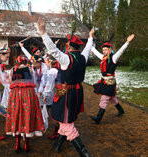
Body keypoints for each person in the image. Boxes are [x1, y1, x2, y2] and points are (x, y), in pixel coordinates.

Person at [37, 17, 94, 157]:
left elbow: (52, 49)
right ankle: (58, 145)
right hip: (77, 92)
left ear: (68, 46)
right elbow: (88, 48)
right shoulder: (83, 57)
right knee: (65, 120)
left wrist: (43, 32)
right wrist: (90, 37)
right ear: (78, 47)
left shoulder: (66, 58)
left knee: (67, 123)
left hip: (66, 93)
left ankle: (84, 153)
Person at [90, 34, 135, 124]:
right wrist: (89, 43)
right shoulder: (103, 58)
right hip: (104, 81)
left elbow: (121, 51)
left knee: (104, 99)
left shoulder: (114, 58)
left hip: (109, 82)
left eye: (105, 50)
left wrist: (127, 42)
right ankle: (121, 110)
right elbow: (94, 51)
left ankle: (98, 118)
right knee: (112, 99)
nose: (104, 51)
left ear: (109, 50)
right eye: (103, 50)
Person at [5, 55, 44, 153]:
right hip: (28, 94)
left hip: (16, 95)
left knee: (16, 115)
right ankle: (26, 144)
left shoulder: (12, 70)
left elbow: (10, 83)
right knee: (28, 115)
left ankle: (17, 144)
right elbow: (34, 81)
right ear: (26, 61)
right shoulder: (30, 69)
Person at [42, 54, 60, 139]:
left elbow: (49, 85)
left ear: (49, 62)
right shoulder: (55, 70)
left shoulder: (52, 71)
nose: (44, 63)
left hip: (55, 95)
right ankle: (59, 131)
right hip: (57, 93)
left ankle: (58, 132)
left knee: (55, 114)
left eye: (45, 61)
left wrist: (45, 96)